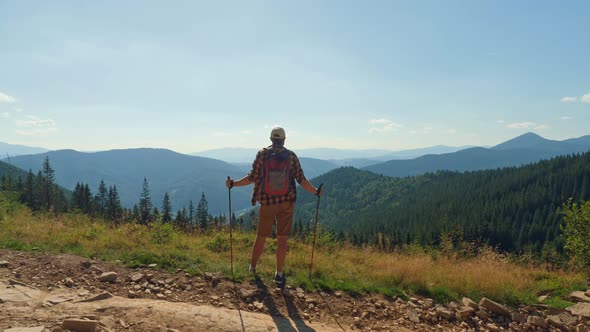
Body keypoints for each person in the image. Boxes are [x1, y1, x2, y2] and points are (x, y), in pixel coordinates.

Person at [226, 127, 323, 287]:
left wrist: (234, 184)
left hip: (267, 202)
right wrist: (316, 191)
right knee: (282, 239)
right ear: (284, 139)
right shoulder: (291, 156)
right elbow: (301, 180)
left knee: (261, 236)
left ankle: (252, 268)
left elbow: (252, 177)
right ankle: (279, 275)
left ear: (271, 139)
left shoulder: (262, 154)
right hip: (286, 203)